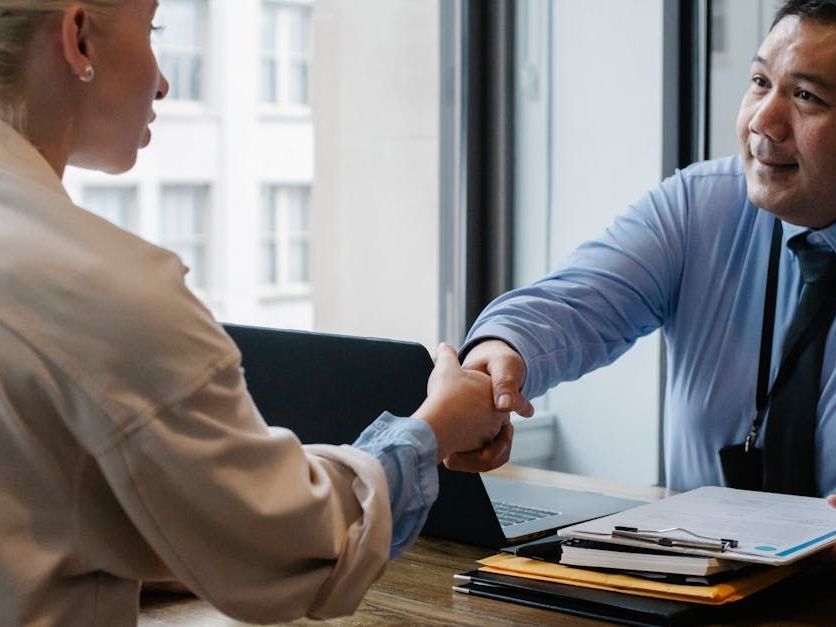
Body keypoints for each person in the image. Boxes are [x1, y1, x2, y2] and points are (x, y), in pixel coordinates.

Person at [0, 1, 510, 624]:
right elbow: (293, 549)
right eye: (152, 29)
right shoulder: (103, 291)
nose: (163, 81)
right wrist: (435, 428)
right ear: (78, 38)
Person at [461, 0, 836, 508]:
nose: (764, 122)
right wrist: (503, 353)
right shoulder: (703, 204)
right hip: (702, 578)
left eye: (807, 96)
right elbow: (573, 303)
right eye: (759, 82)